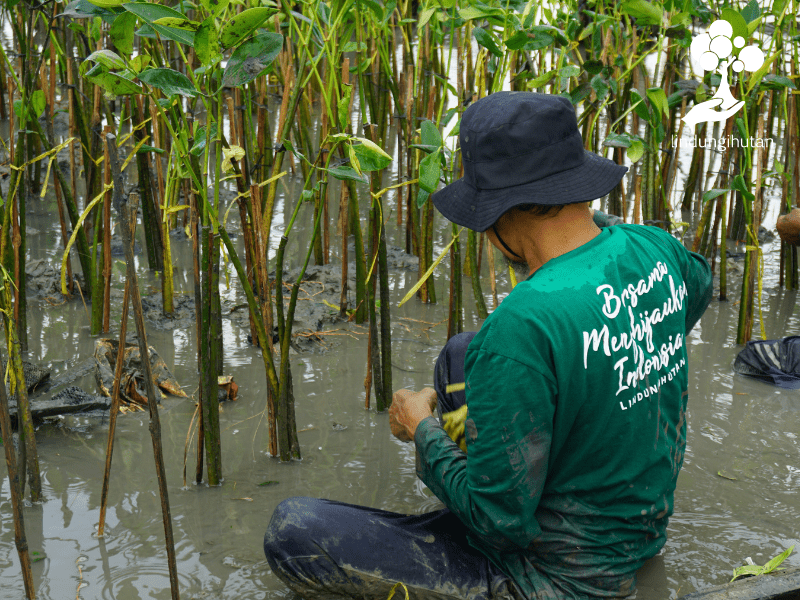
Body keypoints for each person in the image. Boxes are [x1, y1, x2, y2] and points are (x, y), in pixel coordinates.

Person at [264, 91, 713, 599]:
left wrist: (423, 431)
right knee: (460, 354)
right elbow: (699, 286)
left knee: (293, 530)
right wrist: (600, 233)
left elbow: (502, 524)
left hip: (557, 578)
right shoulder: (655, 248)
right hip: (639, 533)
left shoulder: (521, 326)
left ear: (503, 213)